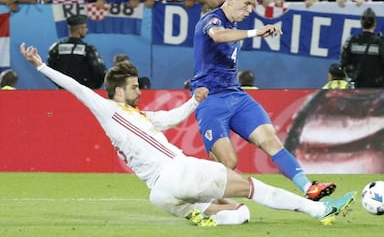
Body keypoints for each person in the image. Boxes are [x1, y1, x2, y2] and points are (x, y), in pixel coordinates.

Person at [20, 42, 356, 226]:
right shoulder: (108, 110)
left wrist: (194, 101)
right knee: (255, 188)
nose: (139, 91)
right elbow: (77, 88)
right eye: (135, 87)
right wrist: (41, 66)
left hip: (160, 193)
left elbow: (167, 119)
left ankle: (216, 217)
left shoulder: (137, 117)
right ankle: (318, 211)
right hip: (181, 171)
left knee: (240, 213)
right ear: (118, 91)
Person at [190, 0, 336, 201]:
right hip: (211, 101)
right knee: (229, 162)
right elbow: (218, 36)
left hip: (236, 96)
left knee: (270, 139)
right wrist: (255, 32)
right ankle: (202, 202)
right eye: (246, 4)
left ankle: (309, 188)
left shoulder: (232, 25)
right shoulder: (211, 20)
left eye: (253, 5)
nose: (250, 10)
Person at [340, 8, 384, 88]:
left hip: (358, 87)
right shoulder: (382, 43)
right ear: (375, 24)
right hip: (377, 88)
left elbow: (343, 65)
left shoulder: (351, 41)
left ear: (361, 23)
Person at [47, 14, 106, 89]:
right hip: (83, 92)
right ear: (80, 29)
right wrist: (91, 88)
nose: (86, 30)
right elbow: (100, 71)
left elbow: (48, 71)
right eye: (85, 27)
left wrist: (60, 83)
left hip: (63, 92)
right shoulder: (88, 49)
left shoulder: (56, 48)